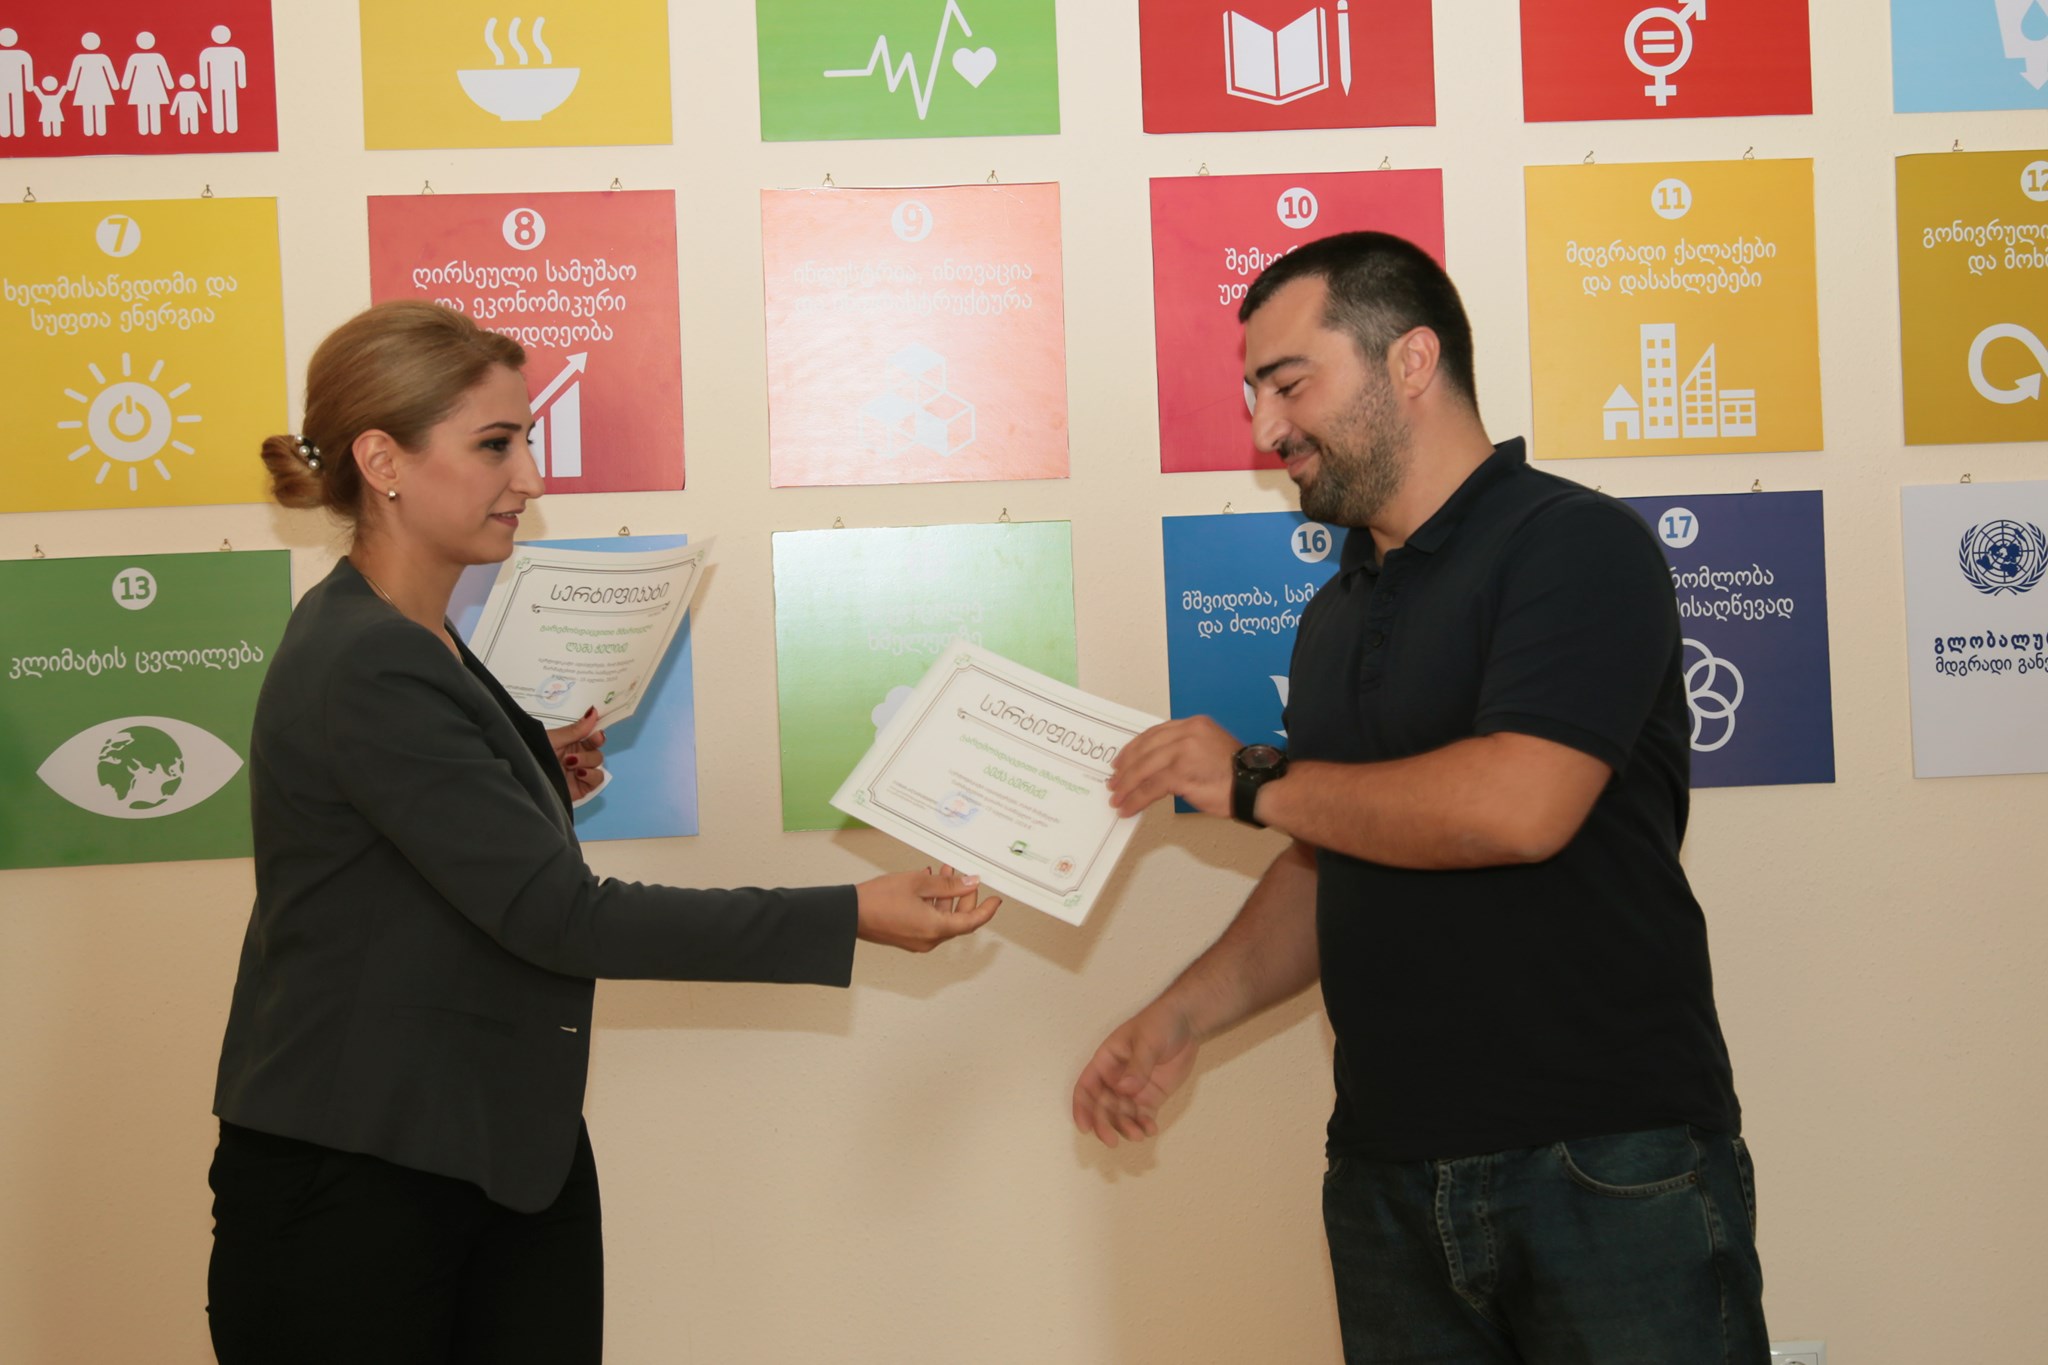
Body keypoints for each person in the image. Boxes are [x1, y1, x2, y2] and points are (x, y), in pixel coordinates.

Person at [208, 300, 1001, 1364]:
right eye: (495, 444)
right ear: (382, 461)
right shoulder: (369, 656)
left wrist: (528, 768)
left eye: (525, 440)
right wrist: (850, 913)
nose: (530, 478)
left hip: (487, 1151)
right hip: (363, 1176)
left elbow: (421, 837)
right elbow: (559, 917)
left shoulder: (407, 634)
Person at [1072, 232, 1766, 1363]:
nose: (1266, 429)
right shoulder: (1334, 613)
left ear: (1410, 360)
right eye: (1254, 395)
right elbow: (1332, 847)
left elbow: (1517, 806)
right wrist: (1180, 1014)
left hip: (1605, 1160)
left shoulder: (1573, 545)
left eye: (1289, 383)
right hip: (1386, 1175)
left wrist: (1252, 778)